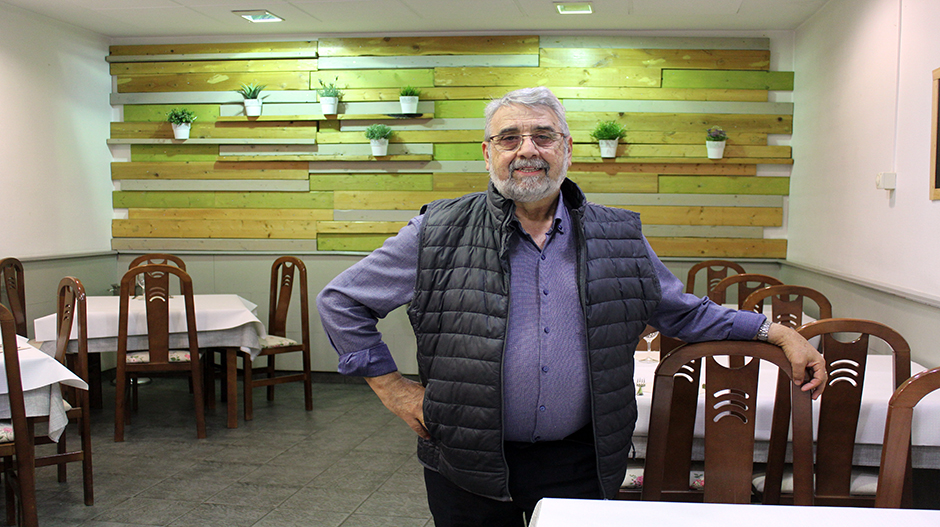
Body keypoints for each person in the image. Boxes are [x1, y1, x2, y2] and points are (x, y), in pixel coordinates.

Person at [316, 86, 827, 527]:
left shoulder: (618, 234)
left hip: (581, 459)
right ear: (487, 151)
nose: (526, 151)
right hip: (466, 458)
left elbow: (682, 312)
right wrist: (394, 390)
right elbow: (342, 302)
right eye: (509, 138)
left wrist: (773, 331)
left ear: (567, 148)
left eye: (542, 136)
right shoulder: (437, 231)